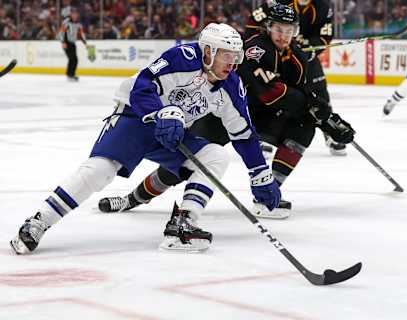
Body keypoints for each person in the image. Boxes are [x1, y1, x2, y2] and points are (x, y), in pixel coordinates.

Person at [10, 23, 280, 255]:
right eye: (226, 56)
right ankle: (38, 221)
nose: (232, 63)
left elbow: (243, 133)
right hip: (135, 117)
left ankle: (182, 226)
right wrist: (161, 112)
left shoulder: (232, 86)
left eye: (235, 56)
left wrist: (259, 173)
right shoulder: (181, 57)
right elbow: (142, 86)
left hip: (171, 130)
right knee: (100, 171)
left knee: (215, 156)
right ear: (208, 51)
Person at [97, 4, 355, 220]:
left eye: (289, 31)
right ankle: (132, 198)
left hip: (259, 118)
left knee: (304, 128)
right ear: (268, 28)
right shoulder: (256, 47)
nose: (283, 36)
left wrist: (326, 118)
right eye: (278, 29)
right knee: (185, 166)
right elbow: (269, 92)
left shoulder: (298, 58)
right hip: (223, 114)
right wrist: (306, 105)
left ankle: (268, 192)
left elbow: (310, 96)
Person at [246, 0, 347, 156]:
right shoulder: (277, 2)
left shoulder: (322, 7)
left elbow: (324, 35)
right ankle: (264, 135)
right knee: (271, 91)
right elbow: (253, 21)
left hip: (302, 57)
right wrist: (261, 43)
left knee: (317, 94)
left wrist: (308, 50)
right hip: (272, 53)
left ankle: (330, 133)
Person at [58, 9, 87, 81]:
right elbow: (61, 32)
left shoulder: (79, 24)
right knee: (72, 58)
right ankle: (70, 75)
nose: (75, 15)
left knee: (74, 59)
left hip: (73, 43)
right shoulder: (66, 22)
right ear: (71, 14)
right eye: (73, 14)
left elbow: (81, 33)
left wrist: (85, 42)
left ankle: (70, 74)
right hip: (66, 43)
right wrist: (63, 42)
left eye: (76, 14)